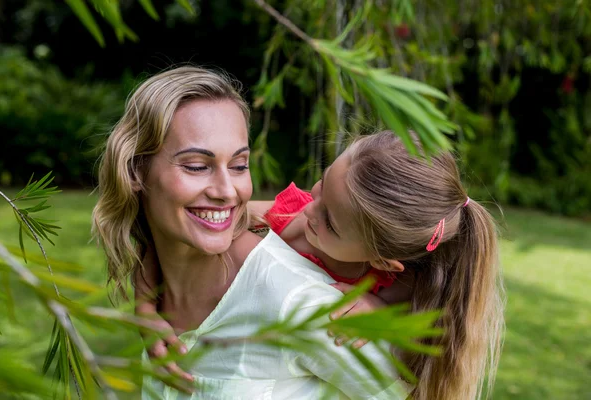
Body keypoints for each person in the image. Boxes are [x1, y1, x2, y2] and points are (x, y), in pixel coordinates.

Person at [92, 66, 410, 400]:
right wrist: (144, 305)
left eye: (239, 165)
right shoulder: (158, 281)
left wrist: (380, 302)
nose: (227, 191)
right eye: (197, 166)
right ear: (134, 170)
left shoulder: (302, 305)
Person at [137, 128, 505, 400]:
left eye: (329, 220)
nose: (308, 209)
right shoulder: (294, 216)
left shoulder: (392, 286)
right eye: (321, 185)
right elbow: (178, 234)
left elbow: (403, 376)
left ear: (382, 262)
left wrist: (383, 305)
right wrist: (144, 307)